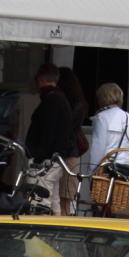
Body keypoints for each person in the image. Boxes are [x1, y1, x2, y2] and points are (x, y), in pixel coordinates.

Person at [25, 63, 74, 215]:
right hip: (56, 159)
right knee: (53, 202)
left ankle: (38, 235)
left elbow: (47, 132)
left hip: (46, 161)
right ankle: (55, 236)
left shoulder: (50, 101)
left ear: (40, 79)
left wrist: (38, 159)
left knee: (39, 203)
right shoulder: (61, 99)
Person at [89, 83, 129, 180]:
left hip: (107, 172)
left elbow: (98, 148)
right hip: (128, 172)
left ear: (102, 99)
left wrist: (92, 172)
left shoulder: (102, 117)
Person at [56, 67, 89, 215]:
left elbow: (66, 130)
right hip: (66, 156)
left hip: (67, 157)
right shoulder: (77, 105)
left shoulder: (74, 107)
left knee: (64, 202)